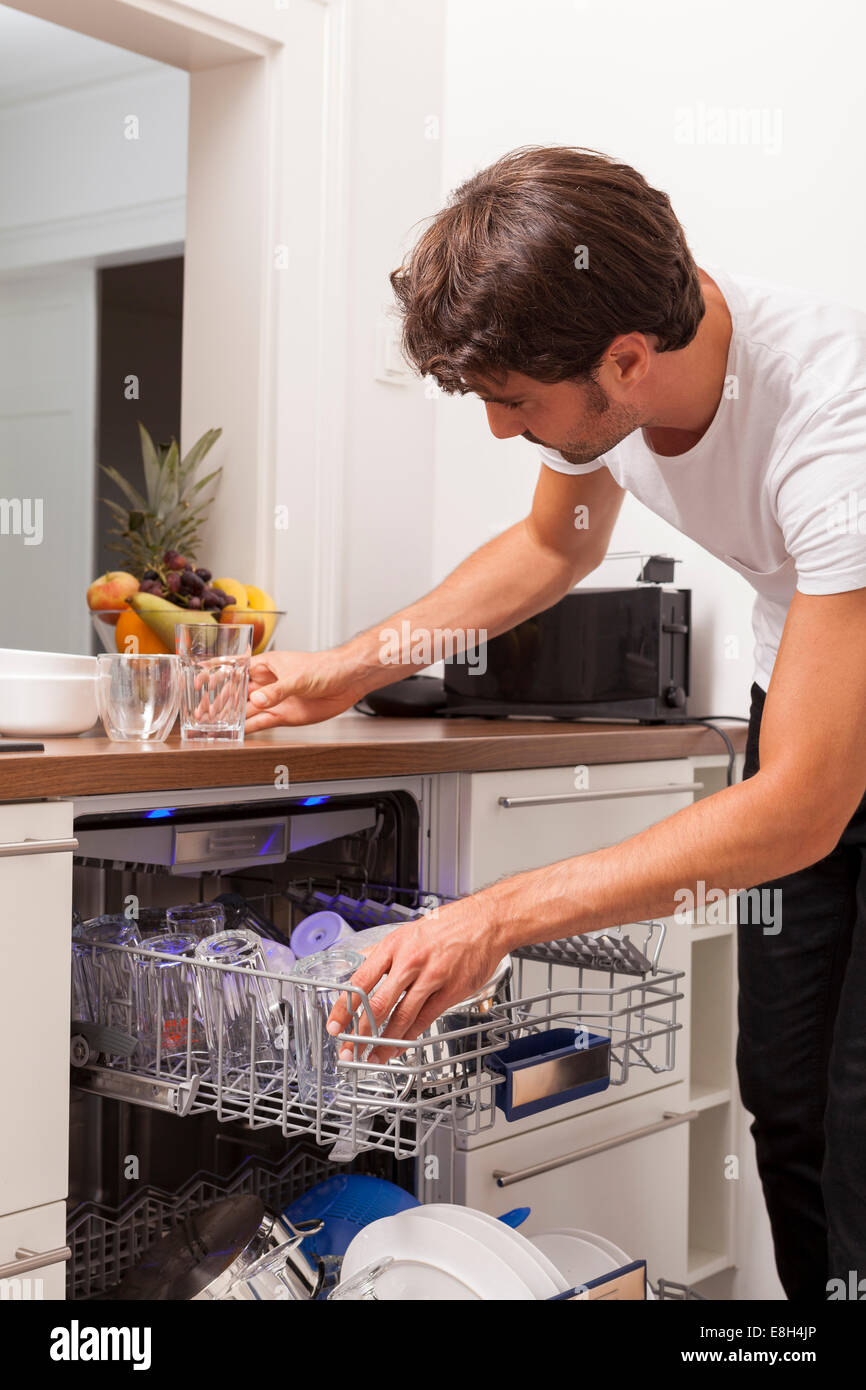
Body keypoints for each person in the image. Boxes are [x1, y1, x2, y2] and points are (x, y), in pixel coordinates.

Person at [245, 147, 866, 1301]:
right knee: (782, 1102)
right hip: (814, 696)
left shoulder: (837, 430)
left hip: (830, 750)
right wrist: (346, 669)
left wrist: (494, 918)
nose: (496, 431)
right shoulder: (622, 360)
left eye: (513, 404)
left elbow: (801, 807)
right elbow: (553, 545)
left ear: (624, 362)